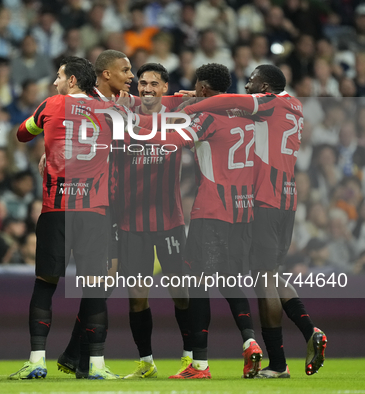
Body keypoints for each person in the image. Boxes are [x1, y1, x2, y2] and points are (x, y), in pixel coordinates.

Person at [181, 64, 327, 378]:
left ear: (266, 86)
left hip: (264, 201)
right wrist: (196, 93)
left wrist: (193, 103)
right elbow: (236, 106)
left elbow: (224, 102)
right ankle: (308, 329)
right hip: (287, 201)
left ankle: (277, 363)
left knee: (264, 283)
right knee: (271, 276)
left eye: (252, 81)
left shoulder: (269, 102)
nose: (247, 86)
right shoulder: (295, 107)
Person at [143, 63, 262, 379]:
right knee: (230, 279)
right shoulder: (246, 116)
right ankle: (250, 340)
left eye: (197, 86)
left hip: (212, 212)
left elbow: (171, 140)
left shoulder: (205, 117)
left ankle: (199, 365)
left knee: (196, 285)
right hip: (243, 212)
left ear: (205, 89)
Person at [10, 56, 117, 380]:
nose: (54, 82)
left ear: (72, 81)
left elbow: (21, 134)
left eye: (58, 76)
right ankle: (97, 366)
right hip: (94, 212)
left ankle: (37, 360)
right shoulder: (109, 112)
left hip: (57, 210)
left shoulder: (50, 105)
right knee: (95, 289)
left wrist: (50, 143)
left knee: (45, 286)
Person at [112, 63, 188, 379]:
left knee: (181, 292)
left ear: (165, 87)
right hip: (131, 224)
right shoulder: (123, 121)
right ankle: (146, 362)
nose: (146, 88)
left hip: (169, 221)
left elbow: (205, 101)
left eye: (154, 84)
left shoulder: (178, 119)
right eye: (142, 83)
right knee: (136, 297)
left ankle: (191, 357)